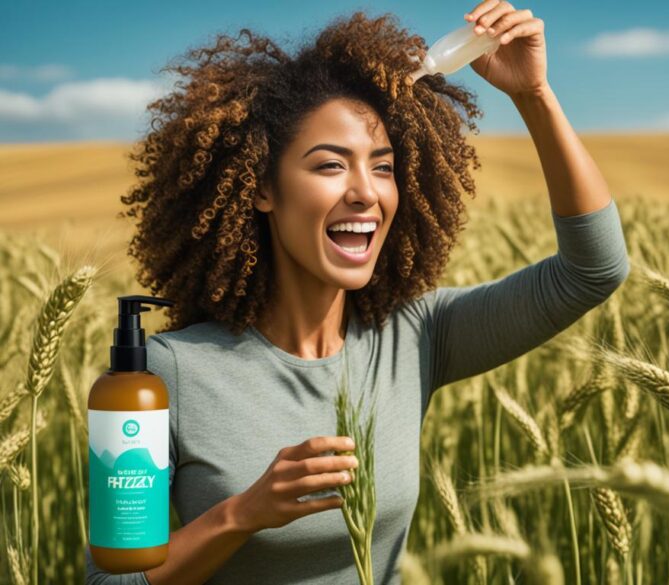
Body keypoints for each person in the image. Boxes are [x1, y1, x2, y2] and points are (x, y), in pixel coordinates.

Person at [86, 3, 630, 583]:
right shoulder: (165, 377)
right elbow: (109, 580)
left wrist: (535, 96)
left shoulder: (414, 337)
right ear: (262, 187)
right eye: (330, 166)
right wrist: (241, 515)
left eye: (383, 167)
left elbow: (593, 269)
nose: (365, 193)